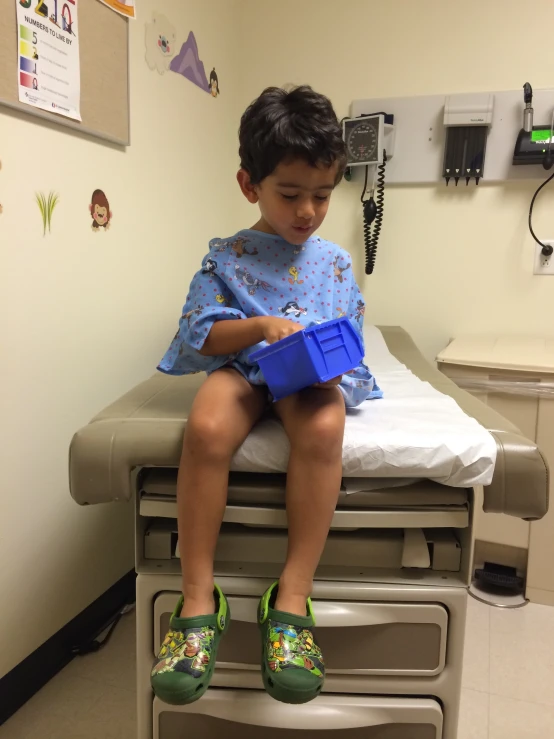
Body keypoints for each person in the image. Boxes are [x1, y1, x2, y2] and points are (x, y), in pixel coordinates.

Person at [150, 85, 382, 707]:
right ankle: (198, 597)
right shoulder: (229, 257)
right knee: (205, 428)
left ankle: (292, 596)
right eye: (290, 193)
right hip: (244, 365)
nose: (308, 210)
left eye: (323, 195)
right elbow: (200, 334)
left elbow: (351, 332)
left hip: (304, 379)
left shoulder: (333, 262)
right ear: (249, 184)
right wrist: (258, 328)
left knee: (325, 427)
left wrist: (334, 368)